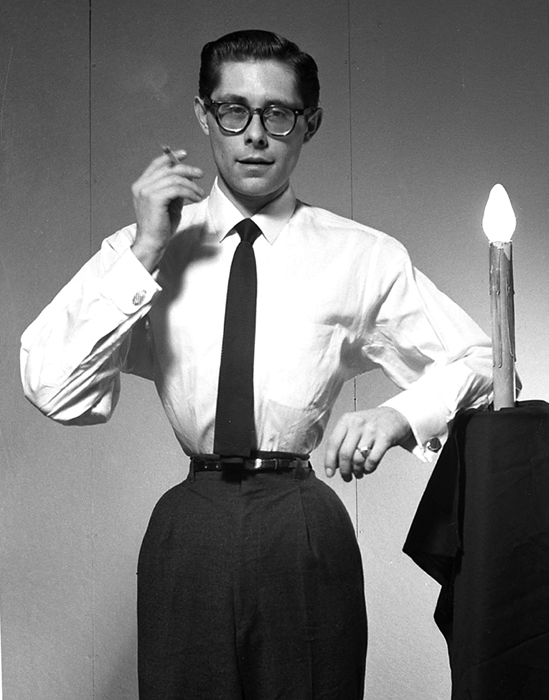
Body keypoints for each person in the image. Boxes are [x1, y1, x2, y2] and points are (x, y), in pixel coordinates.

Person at [20, 29, 493, 700]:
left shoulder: (362, 255)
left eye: (277, 114)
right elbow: (50, 384)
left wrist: (398, 416)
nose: (254, 135)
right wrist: (146, 249)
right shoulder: (146, 250)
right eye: (233, 110)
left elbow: (487, 360)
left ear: (310, 124)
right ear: (203, 114)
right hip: (190, 524)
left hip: (302, 524)